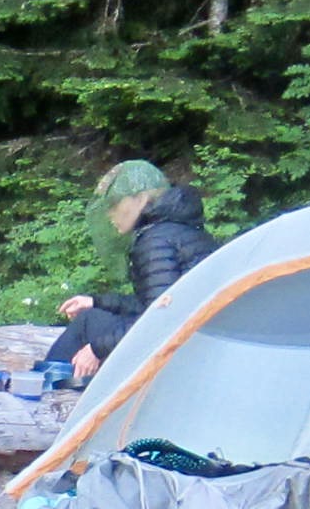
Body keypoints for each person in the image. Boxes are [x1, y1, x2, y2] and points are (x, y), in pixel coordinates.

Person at [44, 161, 214, 380]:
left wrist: (96, 349)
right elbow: (155, 304)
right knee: (93, 314)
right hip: (197, 342)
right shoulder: (181, 230)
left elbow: (160, 318)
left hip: (178, 353)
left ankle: (42, 385)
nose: (110, 214)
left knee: (88, 321)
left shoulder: (155, 240)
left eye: (114, 204)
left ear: (140, 199)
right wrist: (96, 301)